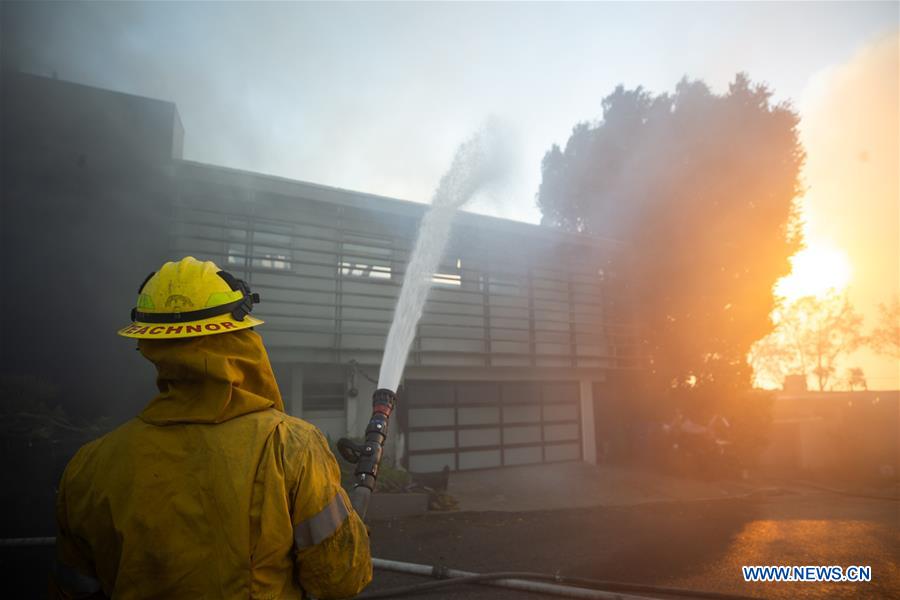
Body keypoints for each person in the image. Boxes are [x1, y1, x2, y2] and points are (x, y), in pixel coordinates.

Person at [51, 257, 372, 599]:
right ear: (240, 343)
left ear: (149, 346)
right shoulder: (290, 446)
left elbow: (75, 585)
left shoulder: (89, 465)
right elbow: (341, 579)